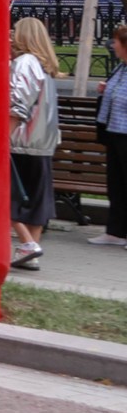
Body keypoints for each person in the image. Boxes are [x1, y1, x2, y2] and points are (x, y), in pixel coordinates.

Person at [9, 17, 62, 271]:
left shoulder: (25, 63)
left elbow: (18, 103)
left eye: (14, 32)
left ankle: (28, 243)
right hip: (43, 142)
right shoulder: (45, 66)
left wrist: (4, 136)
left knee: (8, 195)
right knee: (37, 198)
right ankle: (31, 249)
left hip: (21, 140)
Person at [92, 24, 127, 248]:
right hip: (115, 132)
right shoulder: (120, 68)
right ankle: (115, 231)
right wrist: (106, 91)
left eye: (116, 42)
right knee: (116, 183)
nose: (112, 45)